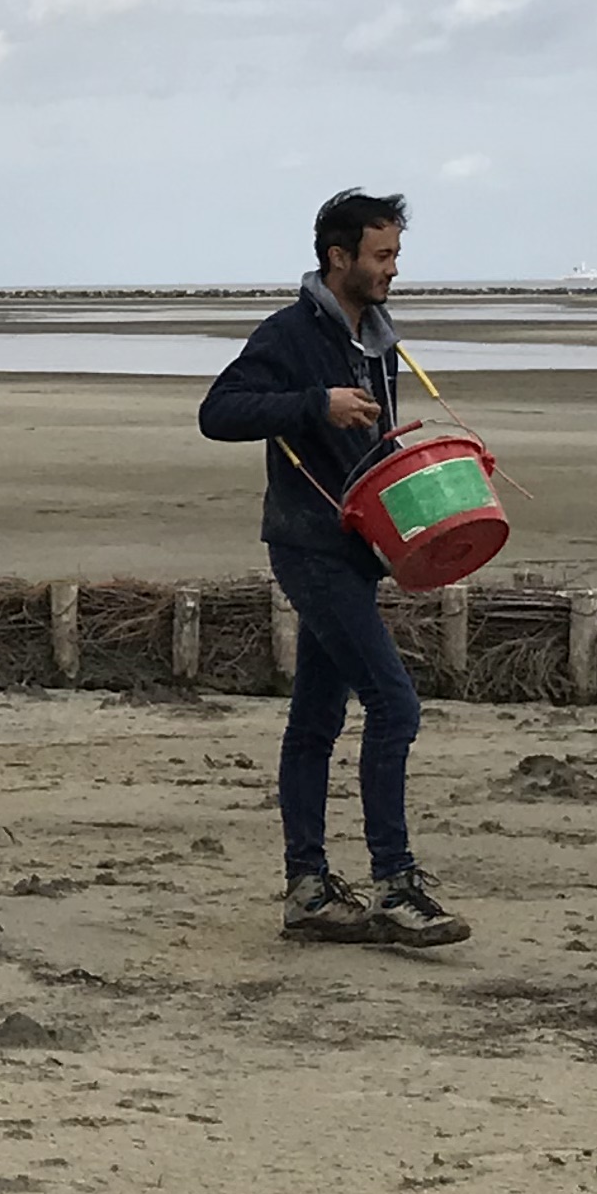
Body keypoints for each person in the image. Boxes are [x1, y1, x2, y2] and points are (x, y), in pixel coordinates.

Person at [198, 189, 474, 950]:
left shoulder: (376, 341)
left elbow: (377, 449)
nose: (392, 270)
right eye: (380, 256)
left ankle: (309, 891)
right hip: (306, 544)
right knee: (396, 705)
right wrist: (315, 404)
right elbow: (218, 411)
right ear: (338, 258)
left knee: (316, 720)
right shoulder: (291, 334)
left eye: (395, 256)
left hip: (360, 547)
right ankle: (395, 886)